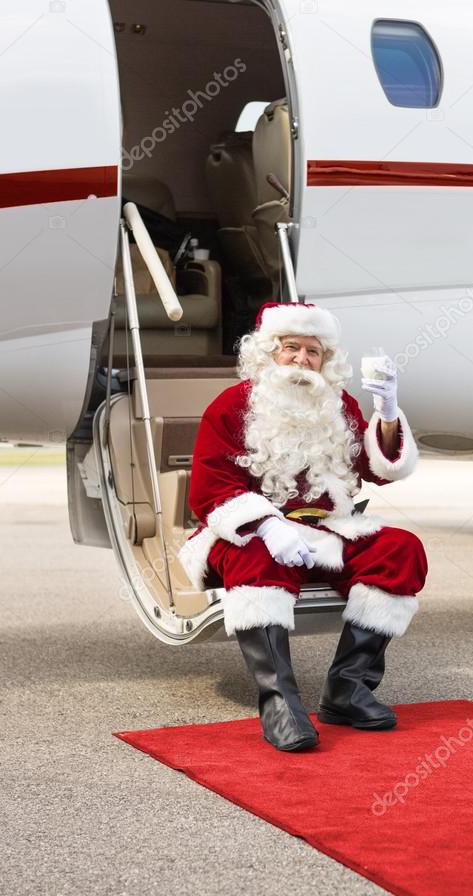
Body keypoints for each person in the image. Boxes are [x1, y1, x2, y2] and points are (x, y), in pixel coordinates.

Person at [177, 300, 427, 753]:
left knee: (400, 548)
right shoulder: (231, 407)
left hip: (325, 532)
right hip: (245, 535)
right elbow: (210, 490)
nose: (301, 359)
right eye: (291, 347)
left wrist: (387, 411)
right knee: (257, 554)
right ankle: (280, 704)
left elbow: (379, 469)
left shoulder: (337, 405)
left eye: (313, 352)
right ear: (268, 351)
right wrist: (269, 527)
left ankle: (348, 690)